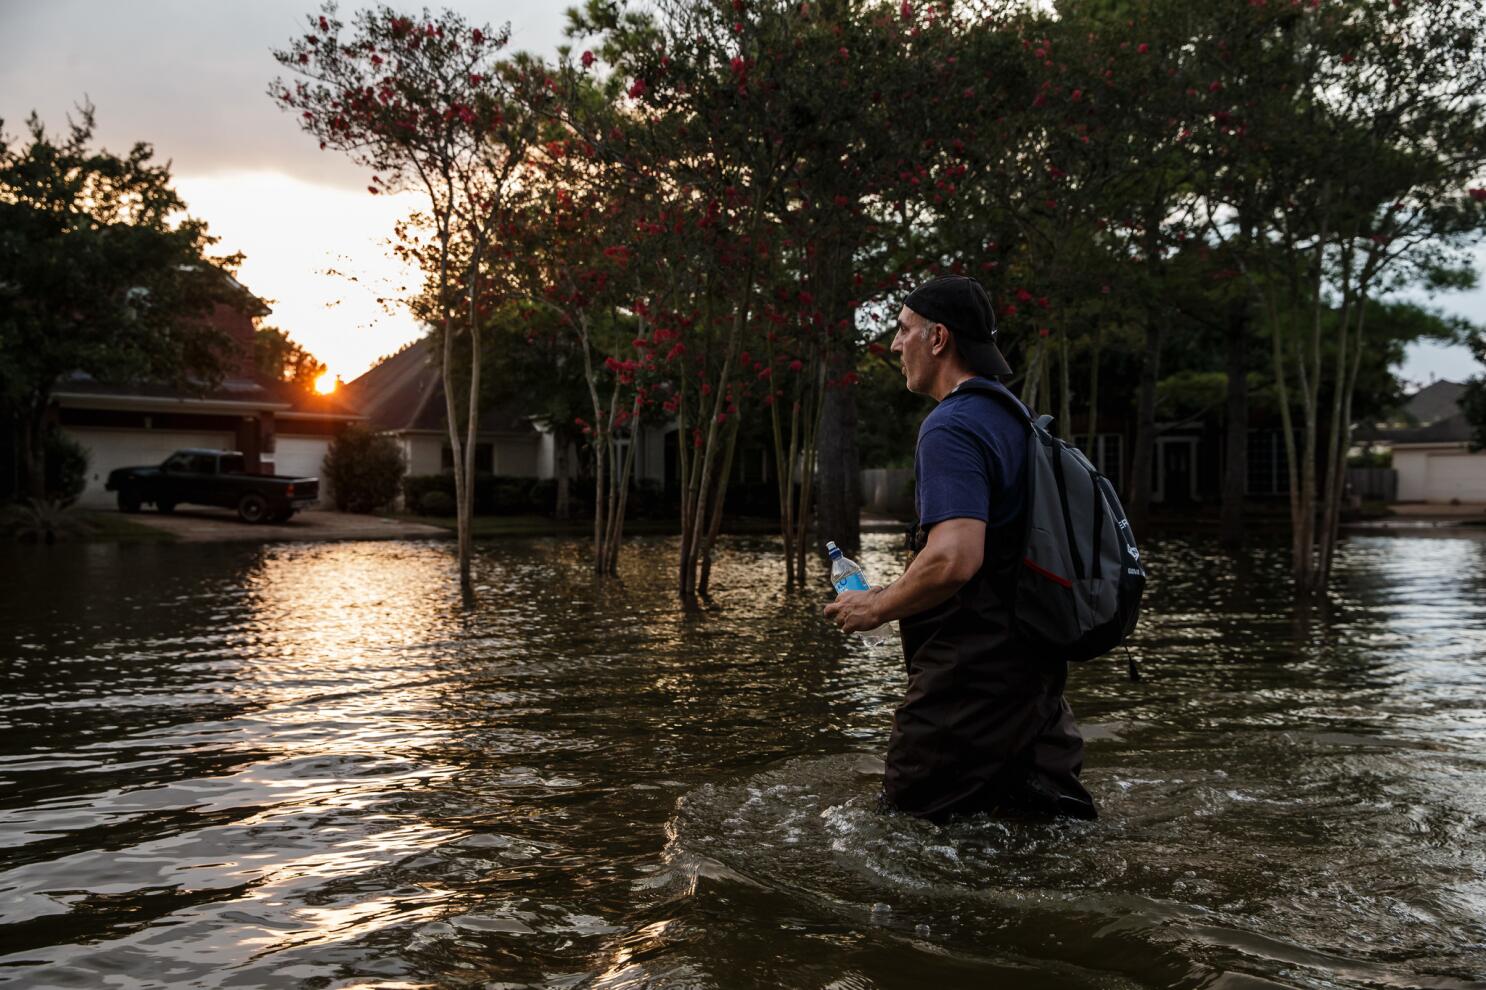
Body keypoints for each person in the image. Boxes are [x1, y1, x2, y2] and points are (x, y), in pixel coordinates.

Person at [823, 275, 1097, 823]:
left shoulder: (950, 426)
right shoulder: (1017, 421)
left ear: (939, 338)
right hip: (1034, 675)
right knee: (1043, 834)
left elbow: (955, 557)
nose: (896, 345)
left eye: (903, 331)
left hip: (968, 682)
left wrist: (876, 605)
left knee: (905, 832)